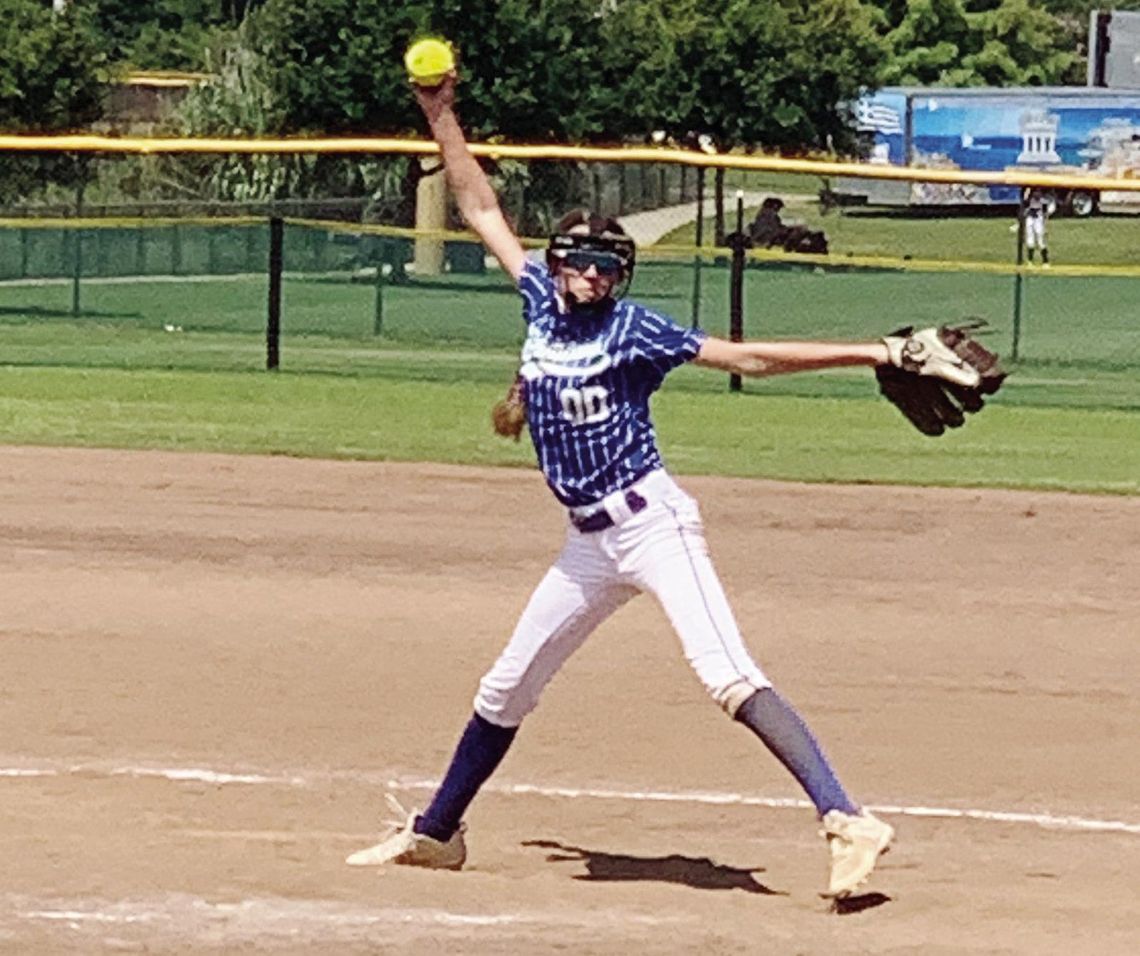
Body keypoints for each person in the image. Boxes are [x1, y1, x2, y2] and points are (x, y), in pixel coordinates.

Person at [344, 70, 948, 900]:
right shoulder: (537, 304)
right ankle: (437, 833)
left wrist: (872, 350)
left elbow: (746, 359)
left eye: (607, 265)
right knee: (506, 685)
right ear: (558, 264)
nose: (591, 275)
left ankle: (848, 821)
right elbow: (479, 203)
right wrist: (440, 114)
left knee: (725, 673)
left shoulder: (635, 329)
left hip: (652, 524)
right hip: (587, 544)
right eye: (581, 260)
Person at [1023, 188, 1051, 267]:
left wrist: (1045, 226)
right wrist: (1027, 192)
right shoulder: (1029, 200)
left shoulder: (1043, 201)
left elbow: (1045, 214)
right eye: (1035, 192)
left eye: (1038, 192)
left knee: (1040, 241)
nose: (1037, 194)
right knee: (1030, 241)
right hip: (1030, 219)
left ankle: (1045, 261)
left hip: (1038, 220)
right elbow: (1025, 203)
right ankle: (1030, 261)